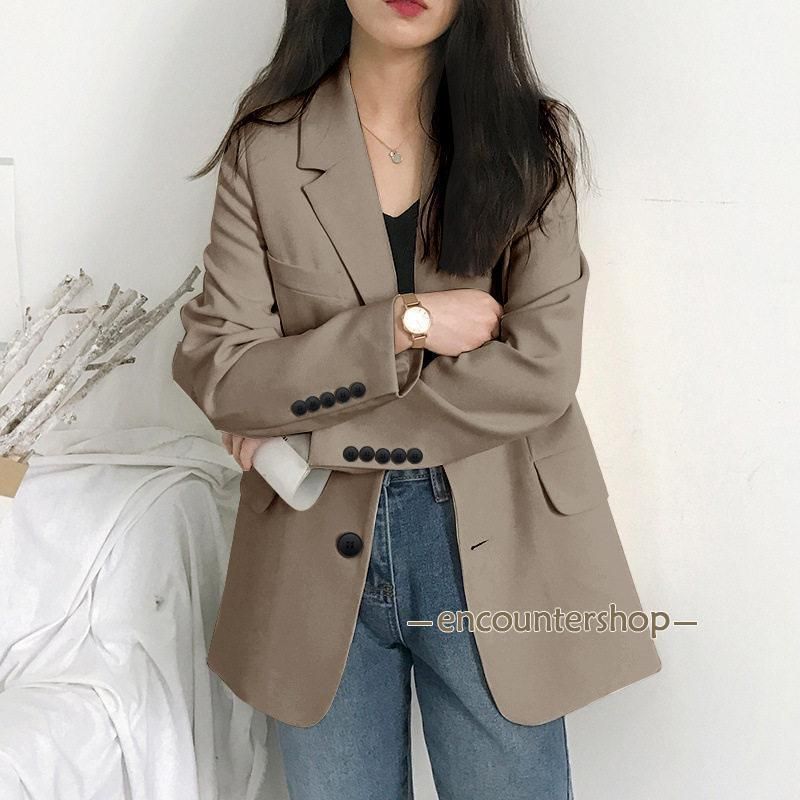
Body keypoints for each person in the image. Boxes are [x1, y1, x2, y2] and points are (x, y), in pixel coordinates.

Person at [172, 1, 662, 798]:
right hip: (308, 543)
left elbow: (537, 371)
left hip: (496, 532)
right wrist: (406, 323)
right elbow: (222, 370)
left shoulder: (530, 141)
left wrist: (312, 435)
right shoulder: (265, 149)